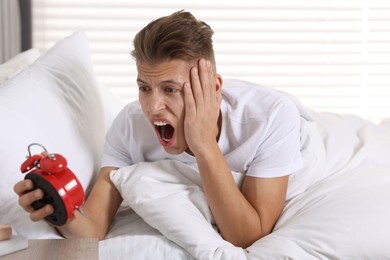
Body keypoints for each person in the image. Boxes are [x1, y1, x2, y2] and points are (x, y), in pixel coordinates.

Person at [14, 10, 303, 248]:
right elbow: (93, 227)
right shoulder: (130, 123)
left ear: (213, 89)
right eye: (144, 87)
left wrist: (203, 144)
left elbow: (247, 236)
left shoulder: (269, 117)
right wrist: (59, 212)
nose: (152, 107)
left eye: (170, 89)